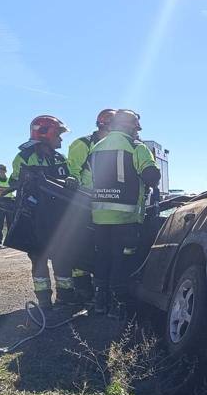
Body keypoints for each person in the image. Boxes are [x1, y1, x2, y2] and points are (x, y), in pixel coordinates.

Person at [83, 109, 161, 315]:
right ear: (130, 127)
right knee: (123, 259)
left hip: (99, 216)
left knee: (103, 257)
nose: (137, 133)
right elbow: (151, 176)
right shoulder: (137, 147)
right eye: (136, 129)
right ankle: (118, 305)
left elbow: (87, 183)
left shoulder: (96, 148)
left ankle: (100, 300)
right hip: (126, 218)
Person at [10, 115, 77, 309]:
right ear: (45, 134)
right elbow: (17, 181)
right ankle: (44, 300)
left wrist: (72, 180)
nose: (61, 139)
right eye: (58, 134)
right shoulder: (24, 157)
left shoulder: (60, 158)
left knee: (63, 257)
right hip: (35, 216)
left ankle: (65, 296)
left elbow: (70, 175)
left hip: (58, 216)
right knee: (38, 259)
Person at [66, 108, 116, 303]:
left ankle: (98, 288)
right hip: (84, 201)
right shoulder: (83, 144)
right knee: (83, 244)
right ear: (105, 125)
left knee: (101, 245)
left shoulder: (114, 145)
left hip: (106, 201)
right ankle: (82, 288)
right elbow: (74, 170)